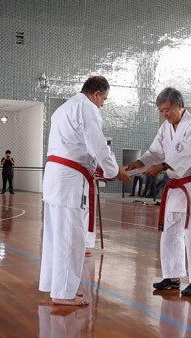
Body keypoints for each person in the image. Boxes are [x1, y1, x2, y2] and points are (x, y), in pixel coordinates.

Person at [39, 76, 129, 306]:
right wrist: (113, 170)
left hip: (55, 176)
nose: (102, 104)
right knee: (70, 238)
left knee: (55, 236)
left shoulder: (63, 109)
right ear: (96, 94)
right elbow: (98, 145)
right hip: (69, 180)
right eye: (104, 99)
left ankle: (55, 285)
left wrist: (101, 168)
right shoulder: (86, 107)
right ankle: (63, 293)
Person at [126, 87, 191, 296]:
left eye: (168, 110)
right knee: (170, 233)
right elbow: (155, 152)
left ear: (180, 106)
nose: (165, 114)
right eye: (161, 111)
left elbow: (188, 155)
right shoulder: (165, 127)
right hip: (174, 188)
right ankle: (172, 276)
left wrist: (161, 167)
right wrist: (140, 162)